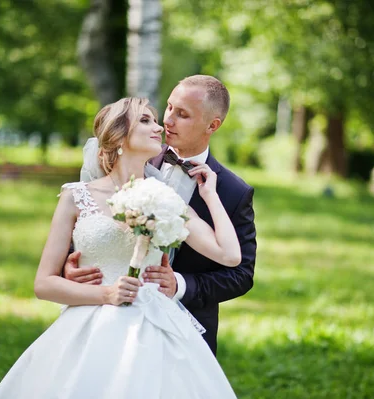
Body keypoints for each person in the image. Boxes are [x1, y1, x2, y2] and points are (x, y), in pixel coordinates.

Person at [0, 97, 241, 398]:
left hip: (154, 325)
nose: (159, 126)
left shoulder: (165, 199)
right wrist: (106, 294)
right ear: (119, 136)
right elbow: (44, 284)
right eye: (145, 120)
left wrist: (210, 194)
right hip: (90, 326)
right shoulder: (76, 196)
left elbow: (229, 255)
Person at [64, 75, 257, 355]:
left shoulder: (231, 191)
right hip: (104, 312)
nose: (167, 120)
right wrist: (72, 268)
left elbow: (240, 273)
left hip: (183, 330)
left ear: (212, 125)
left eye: (183, 114)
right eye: (168, 107)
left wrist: (178, 284)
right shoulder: (132, 153)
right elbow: (91, 218)